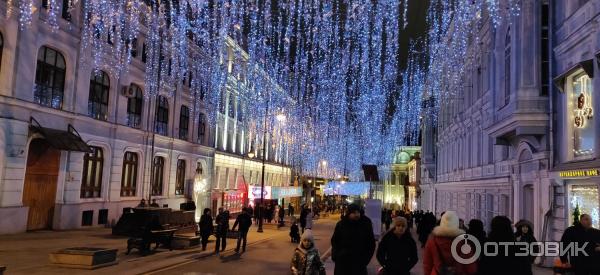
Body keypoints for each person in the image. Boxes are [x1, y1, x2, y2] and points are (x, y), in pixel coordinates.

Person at [423, 211, 477, 275]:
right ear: (457, 224)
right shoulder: (464, 244)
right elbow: (471, 269)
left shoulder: (432, 242)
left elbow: (427, 264)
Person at [331, 204, 376, 275]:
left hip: (359, 263)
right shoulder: (342, 224)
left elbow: (371, 243)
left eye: (358, 212)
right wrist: (336, 256)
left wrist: (365, 260)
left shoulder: (365, 224)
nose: (356, 214)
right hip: (342, 263)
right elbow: (335, 241)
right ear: (349, 213)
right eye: (354, 212)